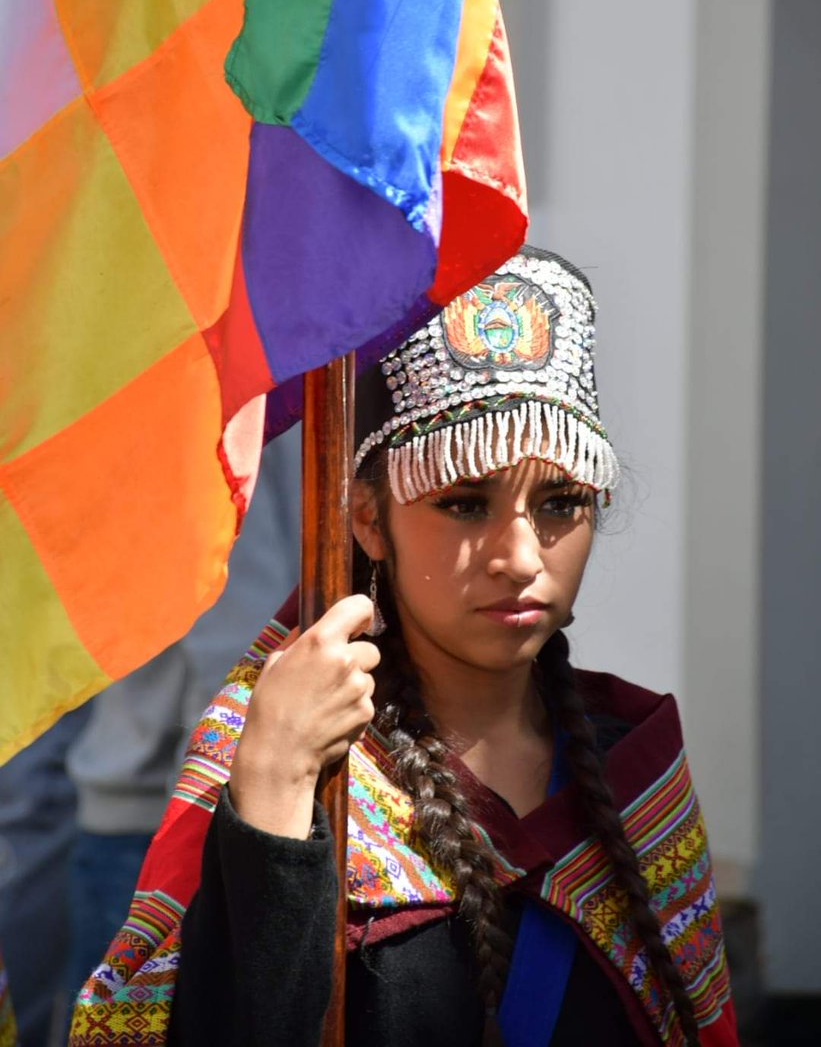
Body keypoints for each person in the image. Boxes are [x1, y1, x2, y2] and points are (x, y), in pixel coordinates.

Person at [70, 248, 739, 1047]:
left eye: (562, 501)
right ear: (365, 518)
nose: (521, 558)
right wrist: (278, 790)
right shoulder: (285, 749)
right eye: (463, 502)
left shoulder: (634, 770)